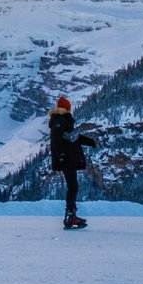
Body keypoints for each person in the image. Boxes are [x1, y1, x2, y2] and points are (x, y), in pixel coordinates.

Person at [47, 96, 96, 228]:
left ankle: (71, 215)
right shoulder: (59, 120)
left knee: (73, 187)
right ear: (66, 108)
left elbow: (72, 137)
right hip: (66, 160)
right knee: (73, 187)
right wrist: (61, 156)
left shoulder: (63, 121)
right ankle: (70, 216)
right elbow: (55, 140)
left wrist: (89, 142)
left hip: (68, 159)